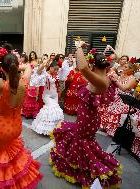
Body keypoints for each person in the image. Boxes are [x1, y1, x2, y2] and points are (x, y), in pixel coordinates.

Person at [0, 32, 43, 189]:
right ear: (16, 65)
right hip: (16, 126)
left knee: (1, 161)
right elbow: (28, 66)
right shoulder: (25, 81)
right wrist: (13, 65)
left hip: (1, 129)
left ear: (1, 67)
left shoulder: (1, 85)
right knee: (12, 157)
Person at [50, 41, 122, 188]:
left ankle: (88, 169)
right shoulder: (103, 76)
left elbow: (82, 67)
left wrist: (78, 46)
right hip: (87, 117)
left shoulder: (101, 80)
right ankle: (79, 166)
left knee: (82, 143)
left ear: (93, 66)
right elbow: (84, 71)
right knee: (80, 141)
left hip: (88, 119)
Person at [29, 60, 64, 135]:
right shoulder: (45, 74)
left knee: (56, 112)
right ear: (50, 68)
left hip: (55, 95)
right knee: (51, 110)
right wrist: (43, 65)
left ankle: (54, 129)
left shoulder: (57, 75)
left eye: (57, 69)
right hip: (47, 95)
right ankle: (46, 130)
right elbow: (38, 72)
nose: (56, 71)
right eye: (55, 69)